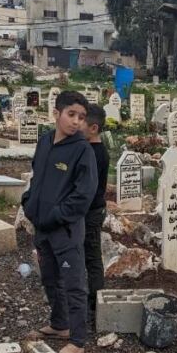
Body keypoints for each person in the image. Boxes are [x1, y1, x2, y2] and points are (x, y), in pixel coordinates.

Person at [22, 90, 97, 353]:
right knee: (50, 278)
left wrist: (55, 215)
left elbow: (83, 195)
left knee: (73, 283)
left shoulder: (82, 150)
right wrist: (28, 203)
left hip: (65, 231)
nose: (77, 122)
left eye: (81, 117)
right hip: (42, 228)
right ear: (56, 113)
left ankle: (77, 340)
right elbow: (36, 177)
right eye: (71, 114)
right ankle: (59, 324)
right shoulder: (44, 143)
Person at [81, 103, 110, 312]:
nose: (77, 125)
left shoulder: (94, 153)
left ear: (94, 128)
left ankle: (95, 303)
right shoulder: (91, 150)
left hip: (90, 212)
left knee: (92, 256)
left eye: (82, 122)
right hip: (89, 210)